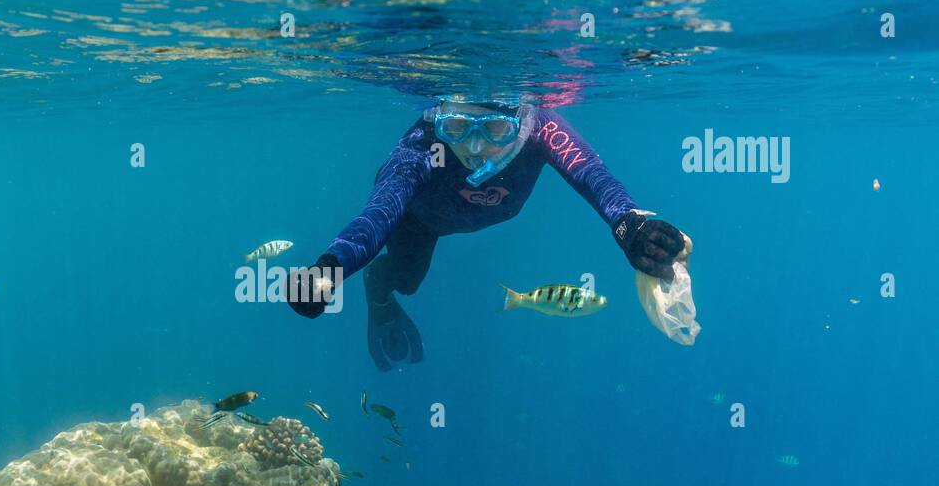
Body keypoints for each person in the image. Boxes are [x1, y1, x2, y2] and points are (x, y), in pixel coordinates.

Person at [288, 97, 687, 371]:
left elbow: (593, 177)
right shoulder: (425, 145)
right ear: (440, 117)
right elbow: (378, 214)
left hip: (460, 216)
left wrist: (632, 227)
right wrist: (330, 268)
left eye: (495, 128)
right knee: (407, 281)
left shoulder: (541, 129)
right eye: (459, 126)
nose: (475, 147)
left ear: (521, 121)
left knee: (412, 280)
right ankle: (379, 289)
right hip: (421, 222)